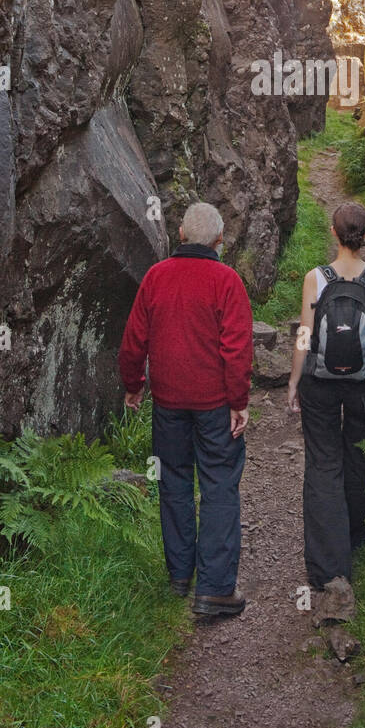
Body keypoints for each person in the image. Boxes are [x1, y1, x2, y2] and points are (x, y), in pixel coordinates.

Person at [118, 201, 253, 618]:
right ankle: (213, 590)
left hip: (168, 403)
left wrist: (134, 387)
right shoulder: (227, 282)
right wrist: (239, 402)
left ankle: (180, 576)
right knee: (218, 486)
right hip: (214, 405)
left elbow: (133, 340)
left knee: (174, 482)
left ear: (179, 235)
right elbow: (237, 349)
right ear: (219, 242)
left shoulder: (156, 278)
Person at [287, 201, 365, 590]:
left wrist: (294, 379)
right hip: (364, 382)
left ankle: (328, 568)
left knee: (322, 464)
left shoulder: (316, 278)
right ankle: (351, 533)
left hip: (320, 381)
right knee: (360, 457)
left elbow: (304, 334)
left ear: (333, 233)